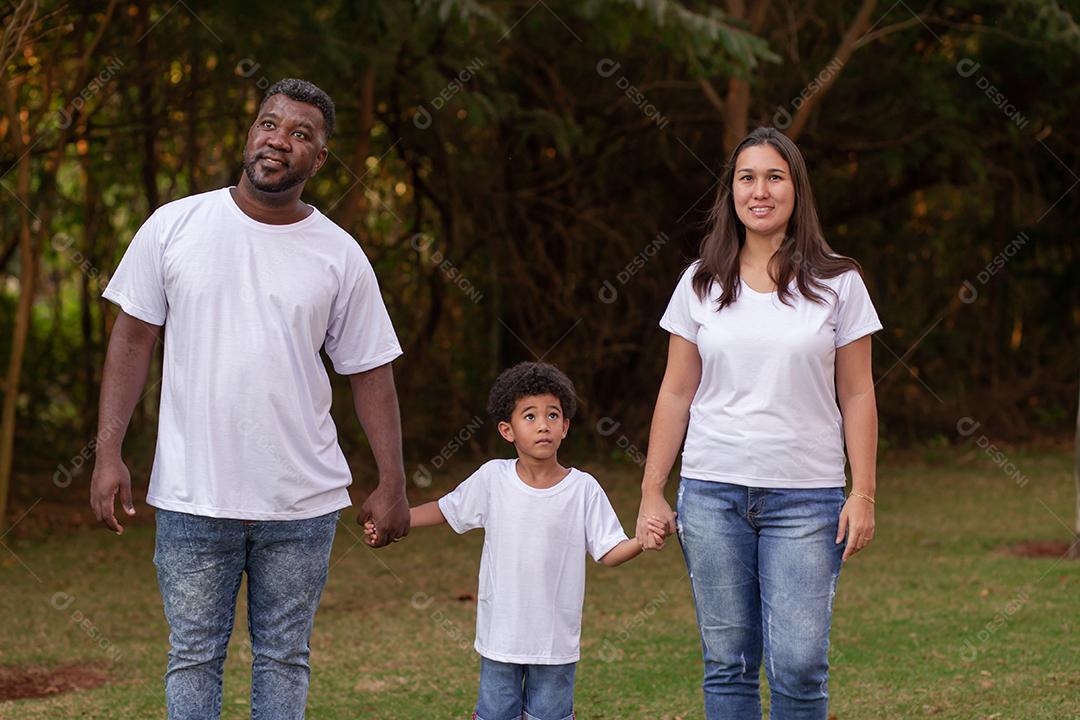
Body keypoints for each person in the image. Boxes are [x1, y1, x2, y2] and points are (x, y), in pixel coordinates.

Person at [89, 78, 410, 720]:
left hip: (300, 502)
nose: (278, 141)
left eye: (300, 134)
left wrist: (393, 480)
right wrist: (108, 453)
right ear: (249, 132)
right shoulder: (174, 225)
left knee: (284, 658)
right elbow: (131, 341)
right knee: (193, 657)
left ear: (318, 159)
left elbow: (370, 371)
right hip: (191, 495)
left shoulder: (339, 255)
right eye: (269, 123)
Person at [636, 126, 882, 719]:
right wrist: (651, 489)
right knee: (729, 664)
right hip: (712, 494)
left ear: (797, 190)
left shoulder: (838, 281)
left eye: (775, 176)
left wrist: (865, 492)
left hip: (808, 498)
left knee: (799, 665)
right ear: (731, 192)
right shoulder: (700, 281)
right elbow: (675, 391)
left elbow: (857, 393)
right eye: (747, 177)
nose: (760, 190)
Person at [366, 362, 666, 720]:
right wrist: (394, 521)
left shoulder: (583, 488)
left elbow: (608, 551)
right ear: (507, 430)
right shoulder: (493, 478)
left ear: (566, 427)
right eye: (530, 416)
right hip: (500, 641)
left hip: (555, 646)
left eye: (553, 415)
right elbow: (447, 510)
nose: (543, 425)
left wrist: (641, 541)